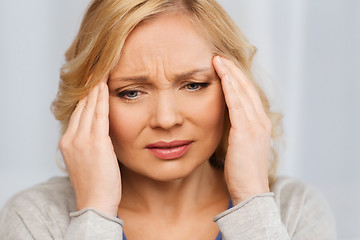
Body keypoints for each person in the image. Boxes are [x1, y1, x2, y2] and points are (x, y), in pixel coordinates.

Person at [0, 0, 336, 239]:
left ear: (236, 90)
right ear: (86, 101)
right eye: (131, 92)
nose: (166, 119)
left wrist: (251, 201)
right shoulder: (35, 216)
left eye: (193, 85)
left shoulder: (295, 209)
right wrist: (95, 215)